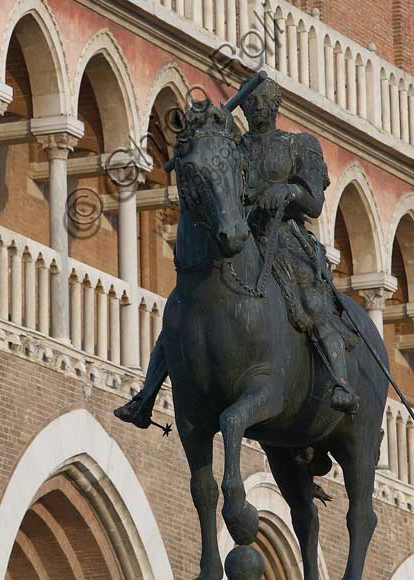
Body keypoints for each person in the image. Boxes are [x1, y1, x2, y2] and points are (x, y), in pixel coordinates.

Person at [114, 78, 359, 430]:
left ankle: (341, 383)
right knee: (185, 305)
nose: (258, 108)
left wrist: (288, 191)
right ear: (243, 107)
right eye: (252, 103)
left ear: (276, 107)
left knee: (313, 301)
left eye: (264, 102)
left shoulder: (299, 145)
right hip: (243, 235)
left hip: (285, 238)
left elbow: (315, 202)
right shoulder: (233, 148)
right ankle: (146, 397)